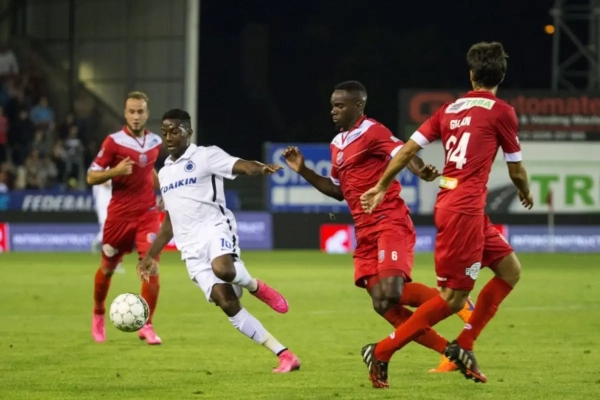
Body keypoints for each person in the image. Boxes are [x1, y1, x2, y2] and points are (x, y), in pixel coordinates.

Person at [360, 42, 532, 387]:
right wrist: (525, 191)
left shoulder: (449, 110)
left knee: (510, 271)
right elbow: (515, 170)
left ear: (471, 75)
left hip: (460, 207)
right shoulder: (502, 112)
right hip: (463, 211)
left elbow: (407, 150)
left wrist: (380, 185)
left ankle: (464, 344)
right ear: (501, 76)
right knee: (452, 299)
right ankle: (381, 350)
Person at [282, 81, 473, 380]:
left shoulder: (373, 131)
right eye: (332, 105)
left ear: (358, 106)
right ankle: (449, 352)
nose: (333, 110)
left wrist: (421, 170)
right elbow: (338, 191)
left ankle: (455, 301)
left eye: (340, 105)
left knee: (391, 292)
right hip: (364, 231)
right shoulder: (337, 144)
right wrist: (303, 170)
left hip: (388, 220)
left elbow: (405, 152)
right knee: (382, 303)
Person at [137, 108, 301, 373]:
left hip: (214, 228)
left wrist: (261, 168)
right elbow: (170, 222)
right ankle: (285, 355)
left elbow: (242, 165)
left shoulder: (205, 155)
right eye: (164, 132)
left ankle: (255, 286)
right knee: (227, 302)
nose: (168, 137)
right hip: (190, 249)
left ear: (188, 133)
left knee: (223, 269)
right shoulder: (165, 173)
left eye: (174, 131)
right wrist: (150, 255)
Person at [87, 91, 163, 344]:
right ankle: (98, 312)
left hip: (147, 213)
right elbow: (91, 176)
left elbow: (148, 170)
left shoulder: (155, 142)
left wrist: (165, 190)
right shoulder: (113, 142)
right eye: (131, 111)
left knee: (151, 267)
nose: (136, 116)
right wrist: (116, 171)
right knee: (107, 269)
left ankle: (147, 324)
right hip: (119, 215)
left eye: (140, 111)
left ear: (147, 114)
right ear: (125, 113)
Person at [92, 178, 125, 273]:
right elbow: (102, 181)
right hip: (104, 203)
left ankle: (99, 241)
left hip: (116, 202)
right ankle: (111, 262)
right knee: (109, 230)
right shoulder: (102, 169)